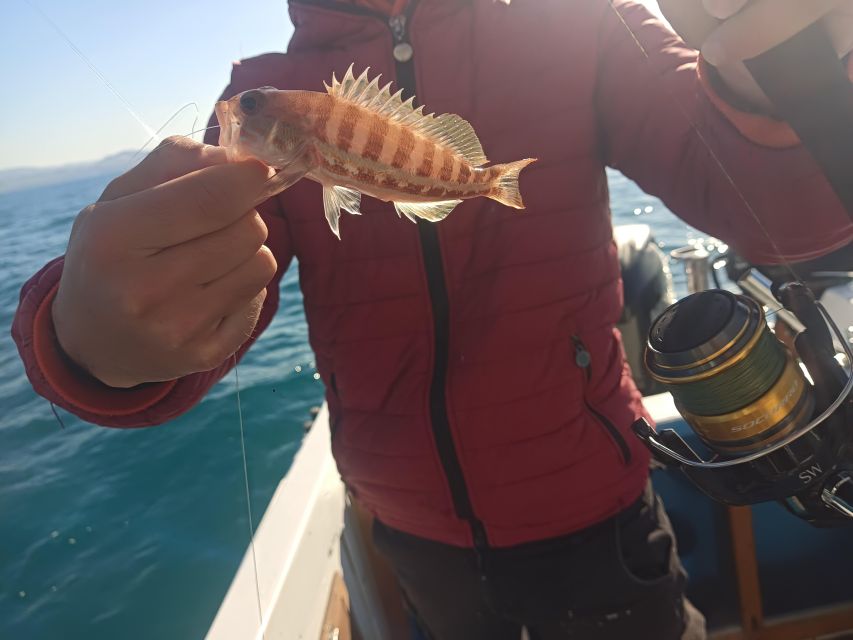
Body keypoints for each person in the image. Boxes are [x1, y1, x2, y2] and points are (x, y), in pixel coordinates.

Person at [12, 0, 853, 638]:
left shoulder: (578, 26)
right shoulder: (261, 100)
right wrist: (85, 340)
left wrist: (790, 75)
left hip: (602, 514)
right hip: (413, 538)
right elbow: (214, 281)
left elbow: (794, 207)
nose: (247, 114)